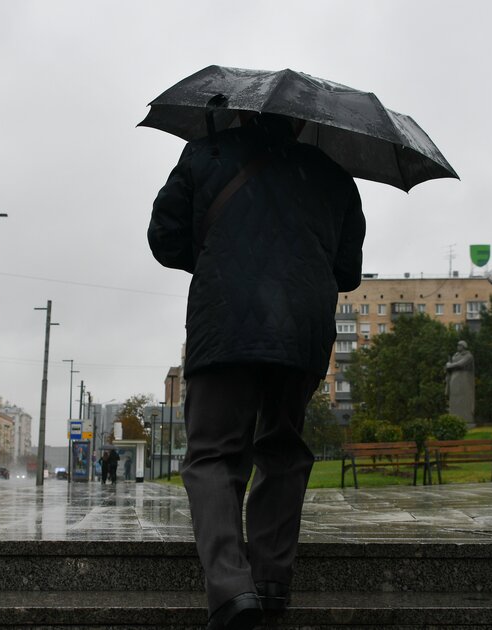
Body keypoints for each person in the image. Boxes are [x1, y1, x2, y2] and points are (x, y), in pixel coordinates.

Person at [148, 112, 365, 630]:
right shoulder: (333, 174)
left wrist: (220, 252)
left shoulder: (206, 153)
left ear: (244, 113)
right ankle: (270, 581)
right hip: (301, 329)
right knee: (284, 449)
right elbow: (348, 271)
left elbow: (164, 239)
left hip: (223, 322)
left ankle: (230, 589)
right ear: (301, 124)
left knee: (214, 456)